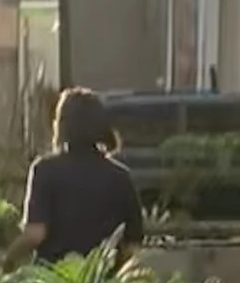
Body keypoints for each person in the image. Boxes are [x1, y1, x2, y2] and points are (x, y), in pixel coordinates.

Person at [18, 88, 146, 264]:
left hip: (54, 282)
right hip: (102, 282)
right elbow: (132, 246)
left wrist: (7, 258)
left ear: (61, 126)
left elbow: (35, 233)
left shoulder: (45, 171)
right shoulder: (120, 177)